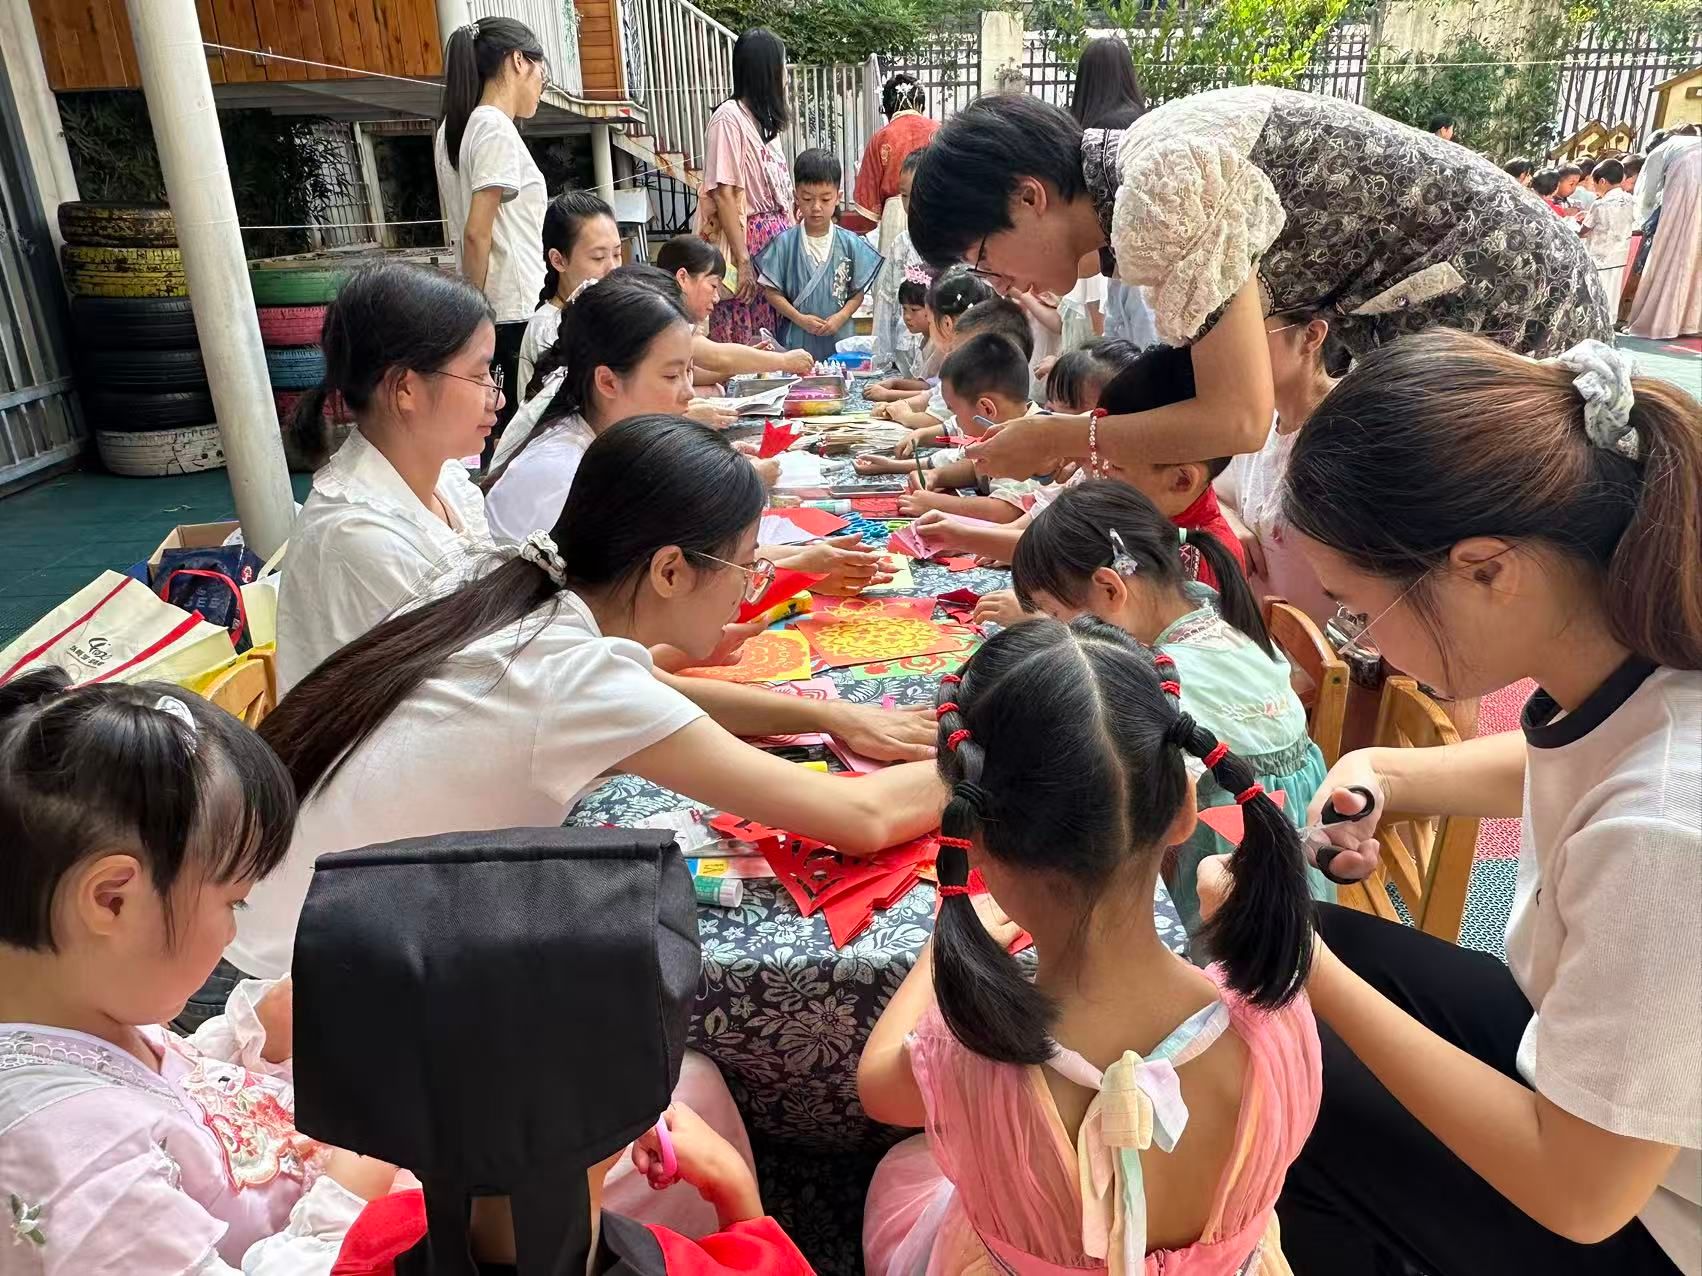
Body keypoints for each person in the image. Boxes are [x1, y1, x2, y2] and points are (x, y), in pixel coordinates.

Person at [1267, 330, 1701, 1275]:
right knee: (1317, 964)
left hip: (1657, 1218)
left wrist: (1299, 964)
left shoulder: (1667, 829)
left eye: (1360, 610)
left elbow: (1582, 1199)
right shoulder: (1639, 652)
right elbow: (1567, 757)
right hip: (1602, 1087)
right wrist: (1387, 772)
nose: (1364, 641)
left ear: (1486, 569)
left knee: (1289, 1083)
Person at [235, 418, 945, 981]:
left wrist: (831, 715)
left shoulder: (501, 583)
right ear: (670, 570)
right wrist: (989, 757)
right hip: (288, 987)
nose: (750, 587)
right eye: (746, 565)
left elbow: (660, 690)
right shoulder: (575, 677)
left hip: (252, 911)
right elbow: (861, 817)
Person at [858, 617, 1321, 1275]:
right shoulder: (1277, 1020)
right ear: (1185, 810)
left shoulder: (965, 1052)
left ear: (972, 840)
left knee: (905, 1169)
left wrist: (940, 950)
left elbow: (878, 1087)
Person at [907, 89, 1612, 485]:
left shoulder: (1158, 187)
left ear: (1029, 197)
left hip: (1508, 298)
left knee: (1458, 552)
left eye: (982, 257)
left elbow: (1239, 420)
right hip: (1467, 295)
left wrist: (1060, 437)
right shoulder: (1136, 170)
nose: (999, 283)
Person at [0, 674, 401, 1270]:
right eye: (233, 902)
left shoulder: (82, 1003)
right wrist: (354, 1181)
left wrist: (257, 1039)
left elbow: (174, 1096)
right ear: (112, 899)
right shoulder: (67, 1156)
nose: (233, 931)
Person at [1012, 479, 1333, 934]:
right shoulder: (1211, 610)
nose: (1057, 631)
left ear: (1110, 589)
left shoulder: (1164, 680)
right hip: (1303, 868)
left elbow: (1124, 805)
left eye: (1054, 616)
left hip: (1231, 895)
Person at [275, 263, 498, 697]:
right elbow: (475, 683)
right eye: (478, 376)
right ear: (405, 389)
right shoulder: (359, 538)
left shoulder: (446, 483)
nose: (496, 396)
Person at [487, 267, 696, 541]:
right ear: (607, 382)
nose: (689, 392)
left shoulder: (610, 440)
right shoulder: (562, 473)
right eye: (671, 376)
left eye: (689, 371)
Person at [433, 16, 550, 436]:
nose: (541, 85)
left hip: (497, 310)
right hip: (511, 310)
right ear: (519, 61)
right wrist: (477, 312)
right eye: (541, 72)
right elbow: (476, 232)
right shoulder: (493, 127)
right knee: (517, 433)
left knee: (494, 431)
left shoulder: (456, 127)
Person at [1214, 309, 1341, 626]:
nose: (1230, 353)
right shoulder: (1257, 425)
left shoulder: (1352, 424)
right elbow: (1217, 494)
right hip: (1267, 639)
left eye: (1248, 335)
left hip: (1336, 648)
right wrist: (1233, 524)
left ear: (1311, 336)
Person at [698, 28, 794, 346]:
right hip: (748, 246)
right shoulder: (728, 119)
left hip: (772, 249)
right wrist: (743, 262)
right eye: (782, 67)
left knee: (773, 335)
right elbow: (724, 193)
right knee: (746, 332)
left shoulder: (763, 124)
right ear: (767, 71)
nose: (786, 77)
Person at [1067, 37, 1159, 350]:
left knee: (1128, 346)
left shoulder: (1096, 130)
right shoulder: (1140, 120)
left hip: (1119, 257)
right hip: (1135, 254)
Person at [755, 148, 882, 358]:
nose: (816, 207)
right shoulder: (784, 243)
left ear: (838, 197)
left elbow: (857, 293)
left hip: (840, 337)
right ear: (796, 197)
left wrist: (841, 316)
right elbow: (772, 292)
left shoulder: (850, 243)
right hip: (796, 337)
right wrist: (799, 318)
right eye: (807, 199)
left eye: (825, 199)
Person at [654, 235, 814, 383]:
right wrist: (784, 361)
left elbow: (697, 374)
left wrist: (748, 360)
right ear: (683, 277)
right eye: (713, 286)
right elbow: (718, 357)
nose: (716, 298)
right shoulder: (663, 317)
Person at [517, 190, 621, 402]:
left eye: (617, 254)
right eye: (598, 257)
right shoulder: (546, 329)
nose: (613, 268)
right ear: (558, 260)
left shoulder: (610, 309)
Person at [867, 268, 992, 424]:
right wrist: (901, 405)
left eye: (931, 321)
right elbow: (935, 395)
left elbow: (936, 418)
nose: (907, 316)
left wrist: (904, 415)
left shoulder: (965, 365)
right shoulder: (973, 355)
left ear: (947, 323)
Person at [1627, 137, 1701, 339]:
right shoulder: (1687, 142)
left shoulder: (1658, 152)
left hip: (1686, 173)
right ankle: (1691, 322)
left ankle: (1663, 322)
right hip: (1689, 171)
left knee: (1674, 244)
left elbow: (1645, 194)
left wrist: (1643, 222)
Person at [849, 74, 937, 240]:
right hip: (935, 212)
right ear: (920, 103)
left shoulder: (881, 138)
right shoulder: (939, 132)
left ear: (888, 108)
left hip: (895, 215)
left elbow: (868, 197)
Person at [869, 149, 931, 375]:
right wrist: (881, 361)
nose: (910, 204)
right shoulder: (901, 245)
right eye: (905, 196)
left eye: (918, 194)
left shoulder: (959, 246)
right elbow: (885, 303)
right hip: (904, 359)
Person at [1578, 157, 1638, 317]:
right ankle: (1609, 321)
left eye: (1595, 183)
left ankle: (1592, 320)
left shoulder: (1600, 204)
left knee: (1595, 293)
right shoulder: (1631, 200)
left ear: (1603, 181)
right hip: (1619, 256)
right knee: (1612, 293)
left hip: (1598, 256)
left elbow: (1584, 230)